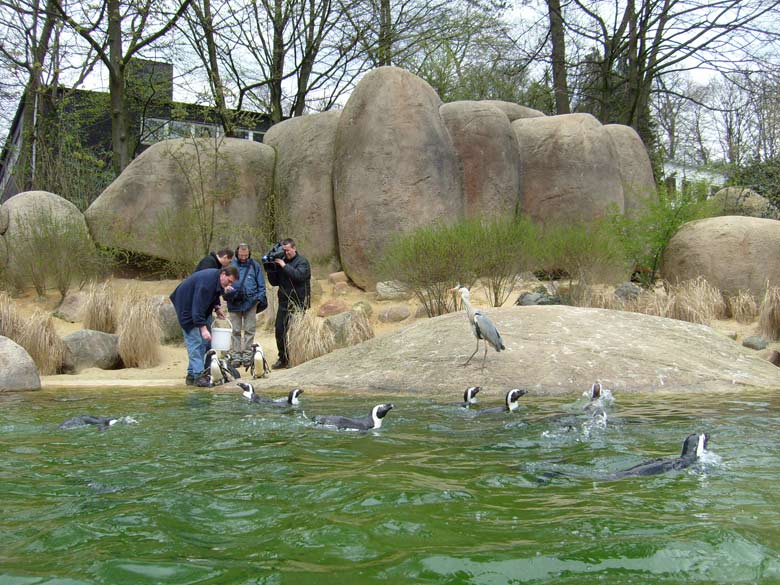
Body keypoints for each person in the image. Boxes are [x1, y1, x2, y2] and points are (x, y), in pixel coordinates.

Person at [170, 265, 239, 386]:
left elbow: (214, 295)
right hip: (186, 307)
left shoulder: (217, 280)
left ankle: (191, 375)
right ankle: (199, 377)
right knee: (196, 342)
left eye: (231, 283)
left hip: (196, 307)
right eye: (229, 281)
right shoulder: (206, 284)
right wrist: (203, 329)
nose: (229, 285)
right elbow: (197, 308)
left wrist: (217, 307)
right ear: (223, 275)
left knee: (203, 343)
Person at [264, 238, 311, 369]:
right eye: (284, 250)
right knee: (280, 330)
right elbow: (274, 283)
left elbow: (299, 276)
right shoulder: (281, 261)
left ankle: (297, 358)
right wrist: (271, 269)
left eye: (288, 250)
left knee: (295, 332)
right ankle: (283, 358)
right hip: (284, 302)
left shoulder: (302, 262)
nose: (286, 253)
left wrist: (284, 265)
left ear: (294, 248)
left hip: (298, 303)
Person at [224, 243, 268, 368]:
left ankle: (248, 354)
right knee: (235, 330)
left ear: (249, 254)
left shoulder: (255, 266)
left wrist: (259, 298)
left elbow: (261, 284)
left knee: (249, 329)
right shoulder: (230, 266)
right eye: (241, 255)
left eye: (246, 255)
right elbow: (224, 284)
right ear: (237, 253)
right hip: (234, 302)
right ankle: (236, 355)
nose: (243, 257)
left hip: (251, 302)